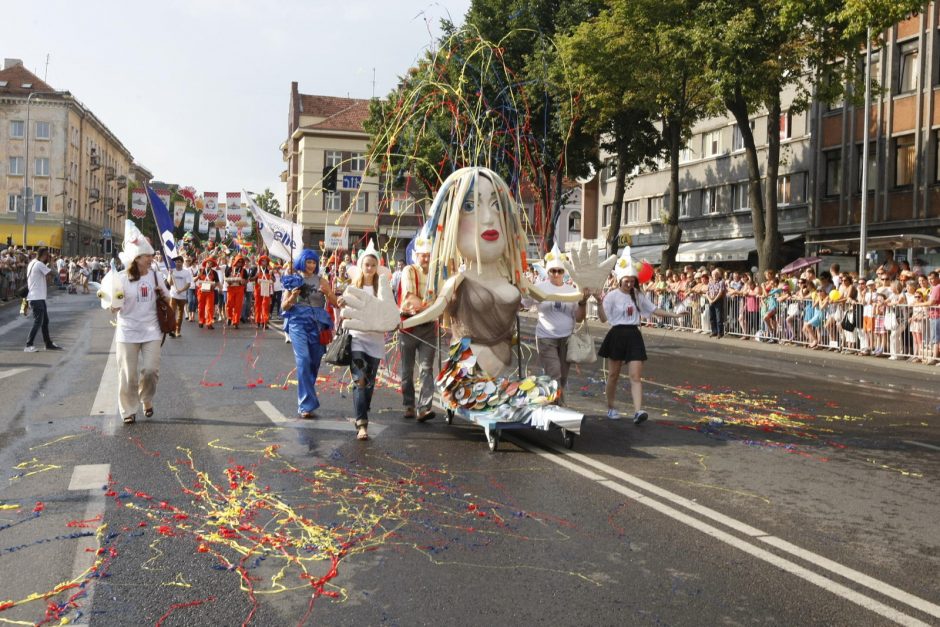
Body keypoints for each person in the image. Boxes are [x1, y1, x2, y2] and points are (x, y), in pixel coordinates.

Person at [340, 167, 612, 438]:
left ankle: (538, 413)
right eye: (470, 206)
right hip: (470, 374)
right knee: (518, 397)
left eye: (496, 205)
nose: (488, 218)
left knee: (545, 388)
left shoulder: (510, 275)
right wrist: (398, 322)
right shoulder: (460, 278)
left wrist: (583, 292)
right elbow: (435, 310)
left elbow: (548, 295)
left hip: (502, 370)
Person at [598, 247, 681, 423]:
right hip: (617, 335)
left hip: (634, 335)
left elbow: (653, 310)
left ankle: (638, 411)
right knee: (613, 375)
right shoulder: (612, 296)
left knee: (635, 376)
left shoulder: (637, 294)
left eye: (632, 281)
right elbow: (603, 319)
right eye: (626, 281)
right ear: (620, 280)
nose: (629, 284)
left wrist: (674, 315)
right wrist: (599, 303)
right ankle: (611, 406)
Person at [111, 221, 170, 424]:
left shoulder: (155, 276)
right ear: (136, 259)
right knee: (128, 374)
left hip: (152, 330)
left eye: (151, 256)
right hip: (128, 331)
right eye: (148, 256)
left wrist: (162, 295)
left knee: (151, 371)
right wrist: (113, 304)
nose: (151, 259)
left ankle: (146, 399)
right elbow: (112, 304)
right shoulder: (121, 278)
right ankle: (128, 409)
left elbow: (167, 297)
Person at [336, 242, 390, 441]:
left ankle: (362, 407)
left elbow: (389, 310)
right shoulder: (353, 287)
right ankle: (362, 424)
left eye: (373, 265)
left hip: (375, 341)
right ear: (361, 266)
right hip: (357, 339)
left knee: (369, 383)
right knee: (360, 380)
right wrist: (342, 301)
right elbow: (344, 306)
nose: (369, 268)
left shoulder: (383, 289)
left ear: (377, 267)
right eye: (366, 265)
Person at [525, 244, 588, 404]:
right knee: (554, 373)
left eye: (559, 271)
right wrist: (524, 288)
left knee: (563, 376)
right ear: (548, 272)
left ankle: (552, 402)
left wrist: (582, 303)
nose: (556, 274)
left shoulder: (571, 290)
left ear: (564, 273)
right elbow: (525, 303)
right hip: (546, 337)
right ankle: (561, 406)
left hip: (566, 338)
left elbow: (579, 318)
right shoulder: (540, 288)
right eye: (553, 271)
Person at [280, 249, 339, 420]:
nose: (311, 265)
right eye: (308, 262)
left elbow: (335, 303)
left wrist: (327, 293)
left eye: (314, 262)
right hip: (298, 322)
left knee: (313, 362)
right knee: (303, 360)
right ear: (301, 262)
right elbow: (284, 307)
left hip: (318, 324)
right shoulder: (293, 279)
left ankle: (307, 398)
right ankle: (305, 404)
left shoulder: (322, 280)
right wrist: (292, 297)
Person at [398, 236, 439, 422]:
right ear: (416, 256)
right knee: (407, 370)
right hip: (409, 326)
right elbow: (410, 297)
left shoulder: (436, 273)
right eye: (423, 255)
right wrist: (433, 307)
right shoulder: (409, 270)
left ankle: (424, 408)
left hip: (428, 327)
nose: (427, 259)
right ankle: (408, 404)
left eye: (429, 255)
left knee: (426, 368)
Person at [24, 247, 63, 352]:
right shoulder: (39, 264)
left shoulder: (32, 263)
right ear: (44, 255)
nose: (48, 257)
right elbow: (55, 273)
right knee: (38, 322)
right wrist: (50, 263)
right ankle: (28, 345)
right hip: (36, 297)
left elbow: (47, 278)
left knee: (45, 321)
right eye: (47, 255)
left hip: (38, 297)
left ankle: (48, 343)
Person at [166, 256, 191, 338]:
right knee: (172, 313)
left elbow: (188, 284)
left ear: (182, 263)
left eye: (179, 262)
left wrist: (181, 290)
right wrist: (170, 274)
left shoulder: (186, 272)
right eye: (176, 262)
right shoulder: (172, 271)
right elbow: (169, 283)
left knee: (180, 315)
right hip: (173, 295)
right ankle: (172, 330)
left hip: (182, 296)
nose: (178, 263)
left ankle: (178, 330)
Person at [195, 258, 220, 329]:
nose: (209, 264)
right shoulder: (200, 270)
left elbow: (217, 282)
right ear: (206, 263)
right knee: (201, 307)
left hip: (210, 291)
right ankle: (201, 321)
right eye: (208, 263)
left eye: (211, 264)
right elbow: (193, 279)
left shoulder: (214, 272)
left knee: (210, 307)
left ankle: (209, 323)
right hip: (201, 291)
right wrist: (198, 276)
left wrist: (214, 286)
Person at [224, 254, 248, 329]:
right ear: (235, 261)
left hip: (239, 289)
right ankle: (229, 317)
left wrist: (243, 281)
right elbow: (226, 278)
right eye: (238, 262)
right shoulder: (230, 269)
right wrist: (230, 280)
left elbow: (246, 280)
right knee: (229, 304)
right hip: (231, 288)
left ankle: (236, 322)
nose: (239, 263)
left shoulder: (244, 271)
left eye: (241, 262)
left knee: (238, 306)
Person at [252, 255, 275, 329]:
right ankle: (257, 321)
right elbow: (250, 279)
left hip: (266, 289)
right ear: (260, 261)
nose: (264, 262)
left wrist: (271, 276)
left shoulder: (269, 270)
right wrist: (256, 275)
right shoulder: (256, 269)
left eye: (265, 261)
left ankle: (264, 322)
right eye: (262, 260)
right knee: (257, 306)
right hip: (257, 289)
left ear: (267, 262)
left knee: (265, 306)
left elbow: (274, 280)